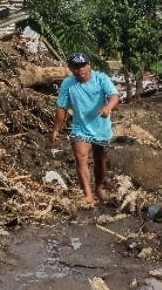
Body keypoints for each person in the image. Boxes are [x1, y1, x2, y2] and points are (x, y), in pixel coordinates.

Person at [50, 51, 120, 207]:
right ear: (70, 68)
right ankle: (88, 195)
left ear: (89, 65)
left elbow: (114, 96)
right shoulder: (67, 84)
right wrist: (56, 130)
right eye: (76, 67)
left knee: (100, 159)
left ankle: (99, 188)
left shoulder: (101, 78)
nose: (80, 70)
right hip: (80, 128)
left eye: (83, 65)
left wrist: (108, 108)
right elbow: (61, 108)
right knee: (81, 157)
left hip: (101, 128)